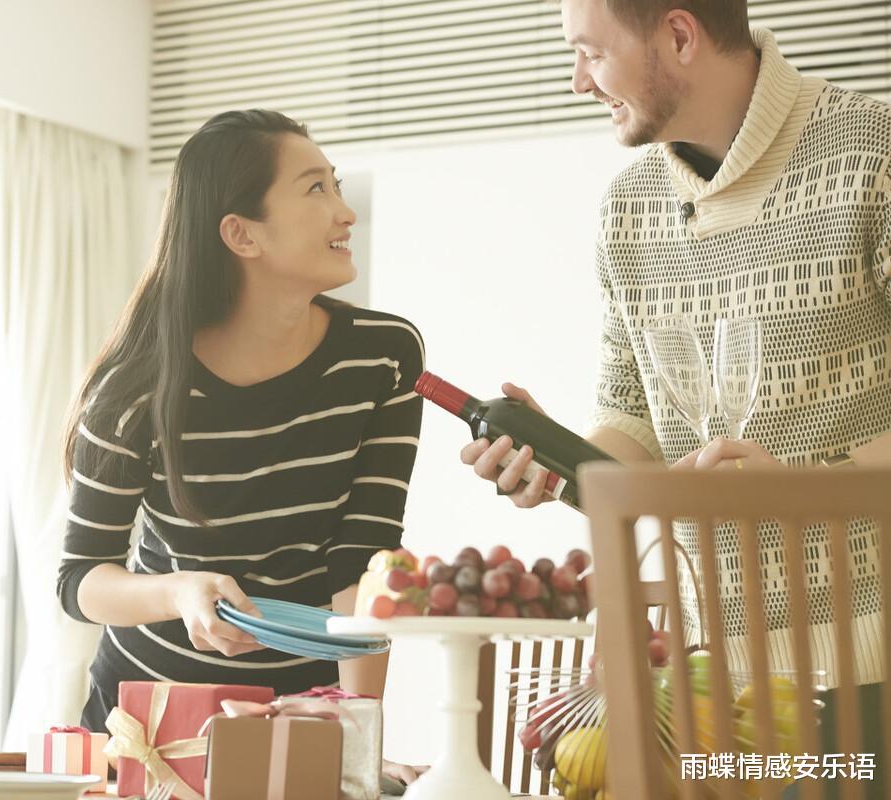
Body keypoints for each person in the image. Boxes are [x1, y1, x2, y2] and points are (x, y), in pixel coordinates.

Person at [459, 1, 888, 795]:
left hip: (868, 679)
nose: (578, 81)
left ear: (680, 36)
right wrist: (561, 462)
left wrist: (803, 492)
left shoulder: (874, 153)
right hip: (703, 686)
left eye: (592, 53)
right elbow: (631, 421)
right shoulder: (627, 211)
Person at [56, 110, 426, 784]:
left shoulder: (383, 357)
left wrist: (358, 742)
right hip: (152, 727)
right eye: (315, 189)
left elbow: (363, 561)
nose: (345, 212)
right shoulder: (135, 390)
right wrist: (179, 592)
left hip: (303, 717)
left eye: (336, 185)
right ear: (241, 234)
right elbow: (81, 580)